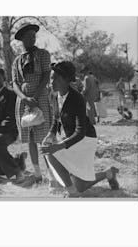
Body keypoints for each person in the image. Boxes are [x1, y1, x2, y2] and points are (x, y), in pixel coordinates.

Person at [41, 61, 119, 197]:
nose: (51, 82)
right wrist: (51, 133)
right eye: (51, 78)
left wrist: (59, 146)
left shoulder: (77, 99)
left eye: (55, 78)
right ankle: (108, 173)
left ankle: (72, 192)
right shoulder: (54, 95)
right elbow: (56, 119)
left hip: (85, 140)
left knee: (50, 152)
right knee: (81, 186)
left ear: (66, 80)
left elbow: (80, 131)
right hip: (71, 140)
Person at [12, 23, 52, 183]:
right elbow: (14, 83)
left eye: (33, 36)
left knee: (44, 137)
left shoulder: (43, 54)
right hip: (23, 102)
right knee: (30, 138)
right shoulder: (17, 60)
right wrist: (24, 98)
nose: (32, 38)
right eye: (28, 36)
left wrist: (34, 97)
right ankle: (37, 174)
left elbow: (47, 75)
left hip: (40, 98)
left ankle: (52, 173)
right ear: (21, 39)